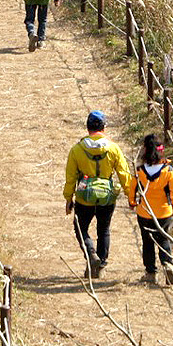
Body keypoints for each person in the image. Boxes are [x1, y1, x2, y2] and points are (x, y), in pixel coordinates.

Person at [63, 111, 133, 279]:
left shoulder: (77, 150)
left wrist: (68, 198)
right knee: (104, 230)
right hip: (106, 197)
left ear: (87, 128)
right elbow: (124, 174)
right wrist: (130, 195)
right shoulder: (113, 148)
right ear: (104, 127)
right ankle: (101, 265)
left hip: (84, 197)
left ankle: (90, 253)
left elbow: (71, 177)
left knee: (81, 229)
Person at [130, 133, 173, 285]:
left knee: (147, 242)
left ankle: (150, 273)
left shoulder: (139, 171)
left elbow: (132, 189)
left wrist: (133, 203)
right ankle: (167, 264)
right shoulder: (169, 171)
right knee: (164, 239)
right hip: (164, 213)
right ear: (161, 151)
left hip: (145, 212)